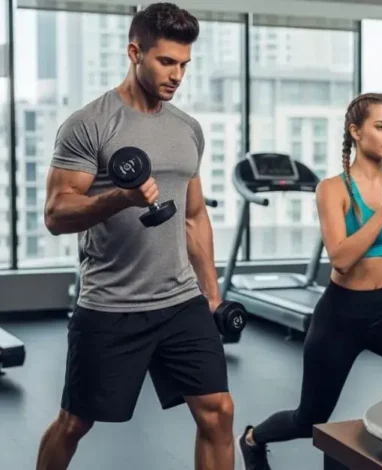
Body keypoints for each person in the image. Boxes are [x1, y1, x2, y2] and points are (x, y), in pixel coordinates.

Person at [37, 4, 235, 470]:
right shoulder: (90, 124)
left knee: (218, 412)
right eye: (167, 62)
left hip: (180, 299)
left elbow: (193, 215)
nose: (177, 75)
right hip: (112, 304)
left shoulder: (188, 129)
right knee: (74, 422)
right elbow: (55, 213)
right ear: (134, 52)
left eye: (184, 64)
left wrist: (211, 293)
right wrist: (120, 198)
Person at [237, 92, 382, 470]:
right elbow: (340, 258)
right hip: (341, 316)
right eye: (381, 126)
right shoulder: (333, 189)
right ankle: (253, 438)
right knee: (309, 420)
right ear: (356, 132)